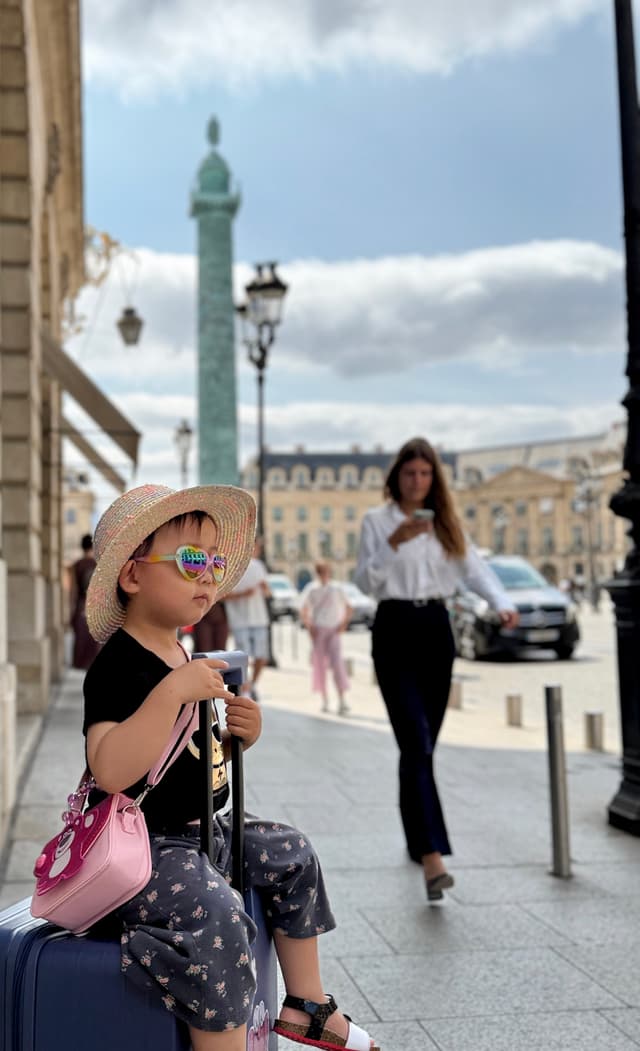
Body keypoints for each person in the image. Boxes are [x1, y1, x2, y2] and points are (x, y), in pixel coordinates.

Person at [83, 483, 380, 1051]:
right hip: (142, 849)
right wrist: (171, 693)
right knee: (216, 915)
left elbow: (189, 757)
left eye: (215, 562)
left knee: (292, 853)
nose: (208, 575)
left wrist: (235, 739)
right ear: (132, 575)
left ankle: (305, 1007)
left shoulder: (181, 652)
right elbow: (112, 771)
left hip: (202, 832)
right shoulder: (119, 663)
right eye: (192, 559)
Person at [355, 437, 518, 903]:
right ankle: (432, 858)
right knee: (416, 740)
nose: (418, 481)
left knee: (423, 748)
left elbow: (475, 569)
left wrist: (502, 603)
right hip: (394, 626)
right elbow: (365, 581)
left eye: (426, 474)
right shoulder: (377, 521)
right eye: (410, 473)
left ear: (435, 480)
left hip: (435, 628)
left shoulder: (447, 523)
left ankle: (415, 837)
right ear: (397, 477)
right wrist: (393, 545)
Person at [299, 562, 352, 715]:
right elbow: (304, 609)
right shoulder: (312, 589)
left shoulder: (336, 588)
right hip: (319, 631)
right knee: (320, 666)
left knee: (337, 664)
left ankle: (342, 699)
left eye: (326, 571)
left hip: (333, 630)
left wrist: (343, 624)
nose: (324, 574)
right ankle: (325, 699)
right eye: (322, 571)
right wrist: (309, 626)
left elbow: (349, 607)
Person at [223, 538, 271, 699]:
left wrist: (265, 590)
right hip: (240, 619)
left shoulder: (259, 566)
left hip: (259, 617)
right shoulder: (233, 567)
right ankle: (246, 687)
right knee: (243, 655)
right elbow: (223, 595)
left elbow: (268, 593)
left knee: (261, 654)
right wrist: (243, 594)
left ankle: (253, 684)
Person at [69, 533, 101, 670]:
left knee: (82, 645)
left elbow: (73, 591)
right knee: (94, 647)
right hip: (95, 609)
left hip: (81, 607)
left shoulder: (76, 566)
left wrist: (71, 610)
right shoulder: (98, 565)